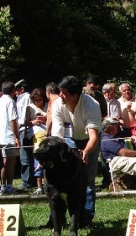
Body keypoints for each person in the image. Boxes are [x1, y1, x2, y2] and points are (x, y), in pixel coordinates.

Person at [51, 75, 102, 228]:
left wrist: (86, 151)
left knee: (87, 180)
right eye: (59, 92)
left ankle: (86, 219)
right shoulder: (58, 104)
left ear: (75, 94)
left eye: (63, 93)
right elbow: (57, 136)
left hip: (89, 141)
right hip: (69, 140)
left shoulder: (91, 105)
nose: (60, 95)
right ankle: (61, 218)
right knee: (67, 179)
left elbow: (93, 136)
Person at [0, 81, 20, 195]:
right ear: (13, 91)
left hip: (1, 136)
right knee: (10, 162)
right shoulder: (10, 101)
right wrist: (16, 137)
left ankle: (4, 186)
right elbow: (12, 120)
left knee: (5, 161)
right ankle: (7, 186)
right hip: (9, 136)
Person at [26, 88, 48, 195]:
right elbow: (26, 122)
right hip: (36, 133)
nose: (39, 102)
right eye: (36, 100)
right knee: (38, 157)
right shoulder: (30, 108)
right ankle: (39, 185)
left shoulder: (48, 106)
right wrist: (34, 121)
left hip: (47, 132)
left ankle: (48, 184)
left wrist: (45, 119)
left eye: (40, 100)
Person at [15, 79, 35, 190]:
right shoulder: (20, 99)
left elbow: (24, 115)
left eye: (17, 90)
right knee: (24, 157)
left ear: (22, 89)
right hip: (22, 128)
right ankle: (27, 180)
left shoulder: (26, 97)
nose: (16, 92)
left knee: (25, 157)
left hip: (25, 128)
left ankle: (27, 182)